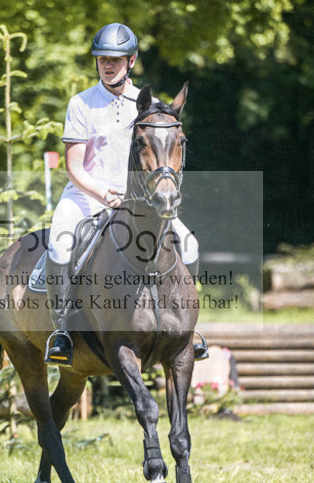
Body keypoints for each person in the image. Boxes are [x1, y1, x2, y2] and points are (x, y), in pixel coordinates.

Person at [44, 21, 200, 366]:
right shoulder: (81, 104)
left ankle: (187, 328)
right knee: (59, 243)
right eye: (102, 59)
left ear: (131, 61)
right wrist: (102, 193)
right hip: (86, 194)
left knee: (190, 244)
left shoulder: (150, 105)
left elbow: (165, 154)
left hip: (140, 199)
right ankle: (61, 331)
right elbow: (73, 166)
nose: (107, 65)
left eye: (115, 59)